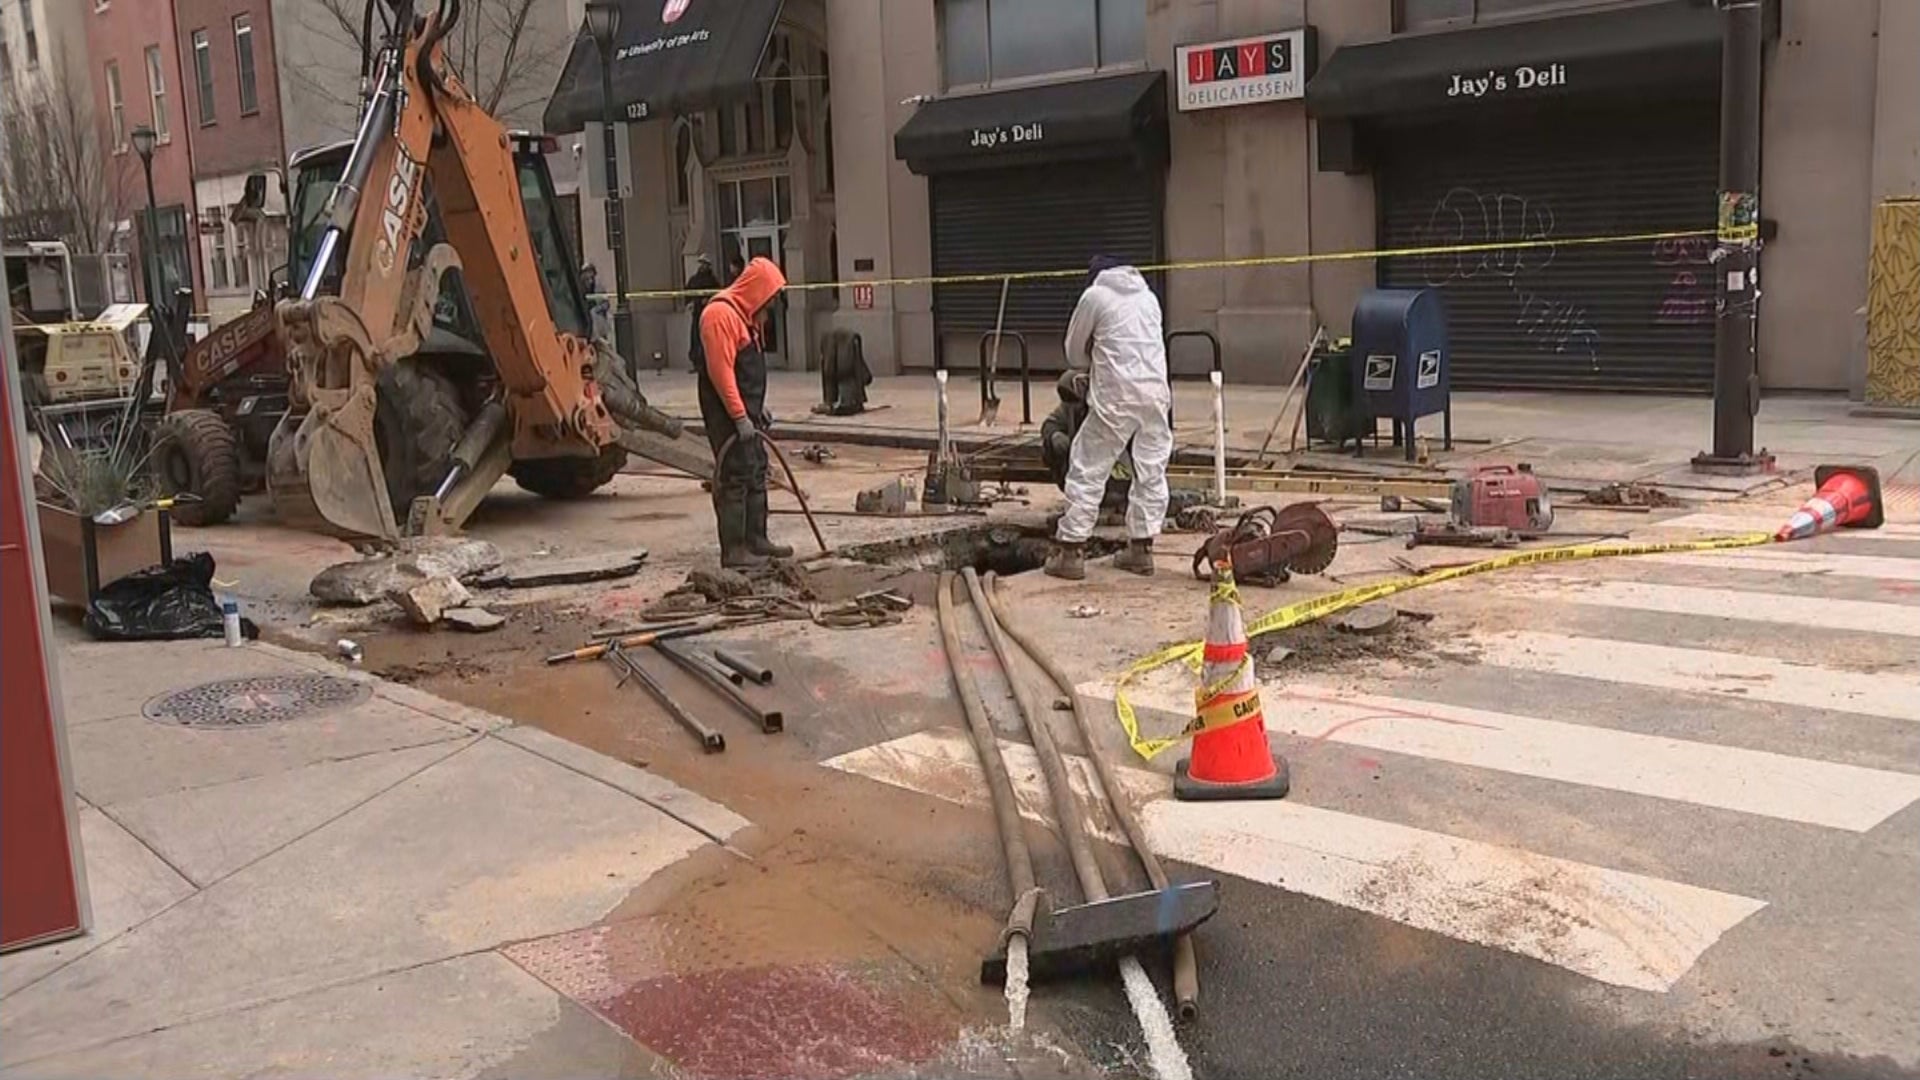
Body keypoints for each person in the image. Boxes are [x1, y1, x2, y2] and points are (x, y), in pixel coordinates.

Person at [1045, 256, 1172, 581]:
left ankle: (1071, 551)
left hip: (1116, 397)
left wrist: (1094, 364)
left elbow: (1074, 353)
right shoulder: (1149, 297)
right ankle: (1141, 550)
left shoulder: (1094, 296)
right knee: (1151, 470)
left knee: (1088, 465)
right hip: (1156, 394)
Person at [698, 256, 791, 568]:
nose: (772, 306)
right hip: (725, 413)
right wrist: (739, 416)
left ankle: (757, 540)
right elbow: (722, 374)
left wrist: (756, 410)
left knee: (756, 469)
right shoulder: (719, 315)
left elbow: (746, 375)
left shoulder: (746, 320)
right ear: (758, 291)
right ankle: (735, 550)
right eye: (771, 297)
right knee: (735, 475)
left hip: (744, 412)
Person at [684, 256, 721, 373]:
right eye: (701, 263)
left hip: (708, 313)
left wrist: (708, 299)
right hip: (697, 313)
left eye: (705, 264)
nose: (702, 266)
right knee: (695, 338)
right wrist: (690, 303)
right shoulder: (694, 279)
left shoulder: (712, 280)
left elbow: (717, 293)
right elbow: (688, 292)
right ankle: (696, 362)